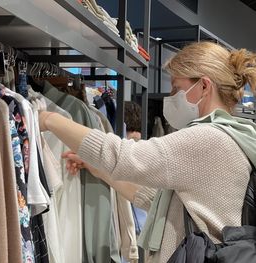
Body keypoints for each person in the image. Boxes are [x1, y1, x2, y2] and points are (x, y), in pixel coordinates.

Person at [38, 42, 256, 262]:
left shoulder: (207, 138)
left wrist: (50, 119)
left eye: (176, 88)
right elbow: (158, 202)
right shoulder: (234, 136)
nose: (170, 96)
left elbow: (124, 156)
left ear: (204, 86)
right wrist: (99, 170)